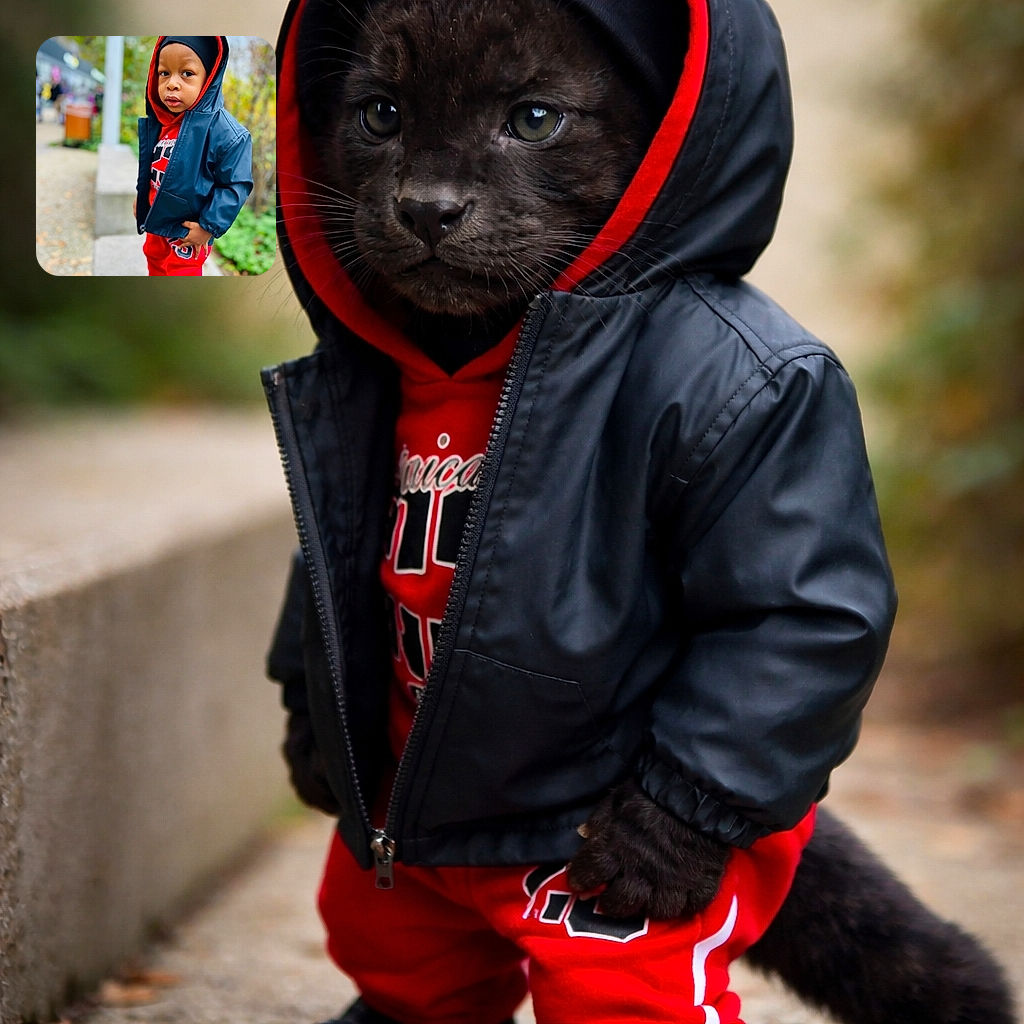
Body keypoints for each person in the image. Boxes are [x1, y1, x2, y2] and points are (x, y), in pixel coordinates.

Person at [263, 1, 900, 1021]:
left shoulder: (733, 374)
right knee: (395, 963)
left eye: (528, 119)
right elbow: (342, 545)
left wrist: (685, 812)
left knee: (620, 999)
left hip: (616, 820)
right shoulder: (374, 360)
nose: (427, 193)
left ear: (669, 141)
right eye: (381, 115)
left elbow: (803, 618)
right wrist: (313, 703)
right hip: (424, 801)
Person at [134, 36, 252, 277]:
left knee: (181, 273)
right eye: (164, 73)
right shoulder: (163, 122)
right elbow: (152, 167)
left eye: (186, 73)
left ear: (208, 78)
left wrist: (208, 227)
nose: (171, 84)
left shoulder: (226, 133)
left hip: (188, 231)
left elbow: (235, 185)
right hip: (157, 220)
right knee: (154, 262)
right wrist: (142, 198)